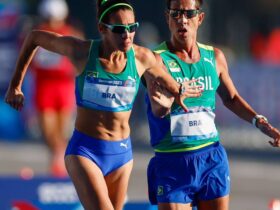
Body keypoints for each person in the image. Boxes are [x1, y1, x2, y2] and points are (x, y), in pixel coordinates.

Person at [4, 0, 202, 209]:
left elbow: (169, 84)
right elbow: (34, 37)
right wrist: (15, 85)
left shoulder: (143, 57)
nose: (127, 36)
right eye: (119, 30)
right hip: (85, 152)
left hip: (122, 155)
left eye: (132, 28)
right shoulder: (82, 52)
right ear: (102, 29)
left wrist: (177, 94)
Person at [144, 0, 280, 210]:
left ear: (200, 18)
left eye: (189, 14)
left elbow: (231, 98)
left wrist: (260, 122)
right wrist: (166, 103)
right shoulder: (156, 60)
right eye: (176, 13)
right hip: (173, 161)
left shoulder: (214, 57)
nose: (182, 20)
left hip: (211, 158)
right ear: (167, 18)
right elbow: (158, 108)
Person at [29, 0, 82, 177]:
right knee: (48, 130)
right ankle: (58, 158)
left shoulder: (71, 34)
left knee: (62, 129)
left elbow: (80, 60)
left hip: (64, 87)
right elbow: (28, 60)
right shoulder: (37, 34)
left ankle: (59, 163)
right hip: (44, 87)